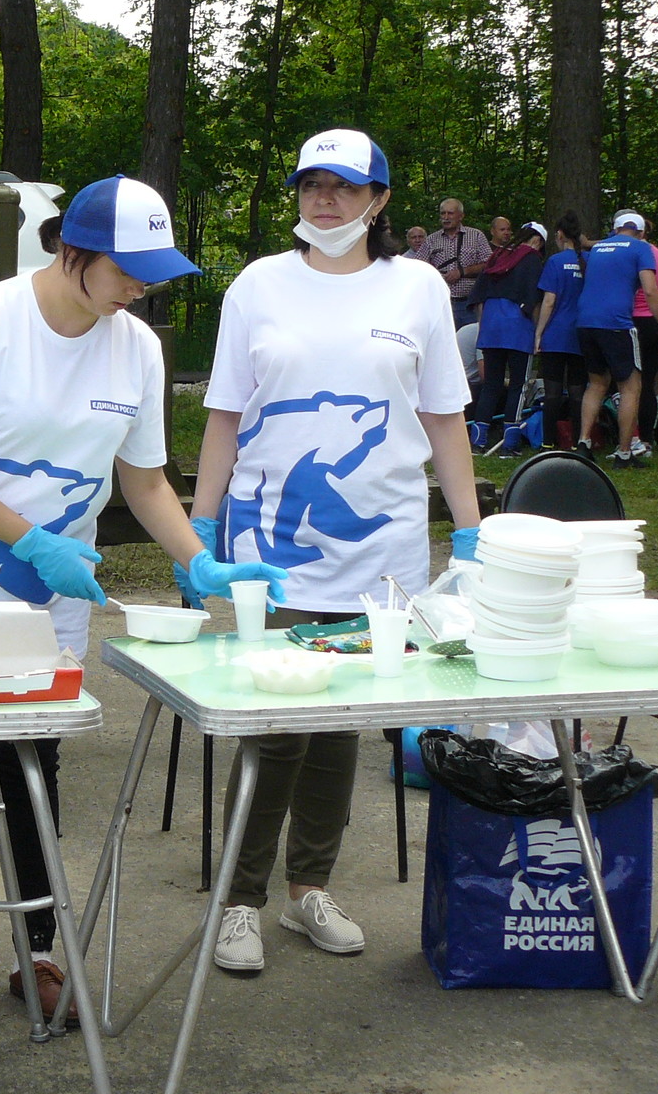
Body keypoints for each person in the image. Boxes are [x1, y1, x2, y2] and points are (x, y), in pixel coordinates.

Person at [0, 175, 283, 1019]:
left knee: (38, 747)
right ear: (74, 253)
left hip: (54, 577)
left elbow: (142, 480)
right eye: (129, 267)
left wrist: (197, 559)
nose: (143, 284)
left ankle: (38, 946)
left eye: (153, 268)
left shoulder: (136, 346)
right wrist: (25, 539)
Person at [192, 130, 482, 975]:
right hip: (271, 544)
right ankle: (239, 901)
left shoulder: (419, 286)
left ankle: (306, 889)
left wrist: (466, 529)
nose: (326, 201)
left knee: (345, 724)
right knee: (280, 722)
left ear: (380, 201)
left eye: (346, 188)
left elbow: (444, 418)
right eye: (312, 185)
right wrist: (200, 528)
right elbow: (222, 417)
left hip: (382, 545)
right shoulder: (257, 284)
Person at [576, 211, 658, 467]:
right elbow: (652, 290)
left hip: (586, 321)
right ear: (641, 233)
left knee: (596, 383)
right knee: (631, 386)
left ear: (615, 229)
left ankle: (584, 442)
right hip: (617, 323)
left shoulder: (598, 250)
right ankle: (624, 451)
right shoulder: (642, 249)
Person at [466, 221, 547, 449]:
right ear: (538, 241)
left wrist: (484, 327)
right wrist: (538, 332)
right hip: (517, 327)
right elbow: (535, 301)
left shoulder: (496, 256)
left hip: (491, 326)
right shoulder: (532, 259)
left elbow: (478, 298)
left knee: (491, 384)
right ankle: (510, 443)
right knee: (518, 385)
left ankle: (478, 439)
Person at [530, 213, 591, 449]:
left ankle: (547, 442)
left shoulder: (555, 262)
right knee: (578, 392)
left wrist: (538, 333)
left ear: (560, 235)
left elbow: (549, 301)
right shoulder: (589, 260)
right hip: (581, 333)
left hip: (556, 334)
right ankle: (577, 442)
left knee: (552, 392)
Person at [624, 213, 658, 438]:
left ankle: (628, 437)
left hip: (633, 320)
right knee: (649, 384)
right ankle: (647, 437)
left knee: (629, 384)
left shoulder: (628, 253)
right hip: (656, 321)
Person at [418, 198, 490, 327]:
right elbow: (418, 267)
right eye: (442, 213)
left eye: (450, 213)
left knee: (468, 342)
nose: (446, 217)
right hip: (440, 304)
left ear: (461, 216)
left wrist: (462, 272)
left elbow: (489, 264)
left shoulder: (476, 236)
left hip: (469, 305)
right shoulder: (431, 240)